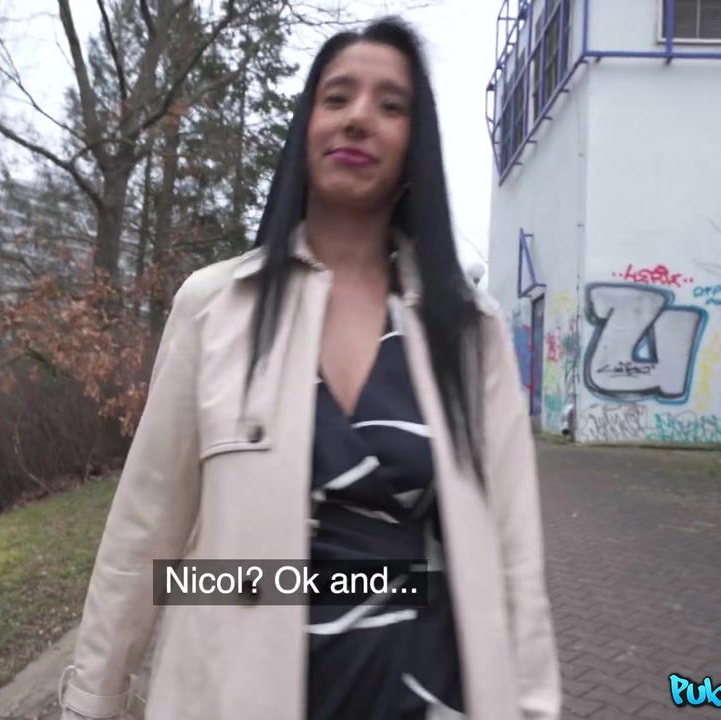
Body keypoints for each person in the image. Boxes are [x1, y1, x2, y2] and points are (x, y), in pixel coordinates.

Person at [58, 16, 560, 720]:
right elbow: (145, 532)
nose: (359, 117)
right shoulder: (216, 308)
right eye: (338, 97)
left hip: (427, 692)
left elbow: (514, 560)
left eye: (391, 105)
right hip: (239, 696)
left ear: (415, 146)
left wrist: (533, 707)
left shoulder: (470, 332)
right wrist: (94, 698)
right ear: (306, 128)